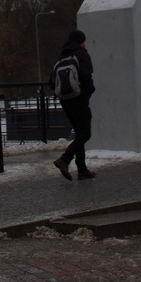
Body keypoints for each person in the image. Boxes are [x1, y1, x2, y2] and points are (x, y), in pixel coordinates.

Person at [49, 28, 97, 181]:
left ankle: (82, 170)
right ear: (80, 41)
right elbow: (86, 75)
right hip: (79, 98)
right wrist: (90, 90)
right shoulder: (82, 54)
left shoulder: (61, 58)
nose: (85, 43)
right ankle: (65, 159)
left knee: (79, 133)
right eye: (83, 41)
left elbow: (51, 82)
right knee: (85, 133)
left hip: (65, 100)